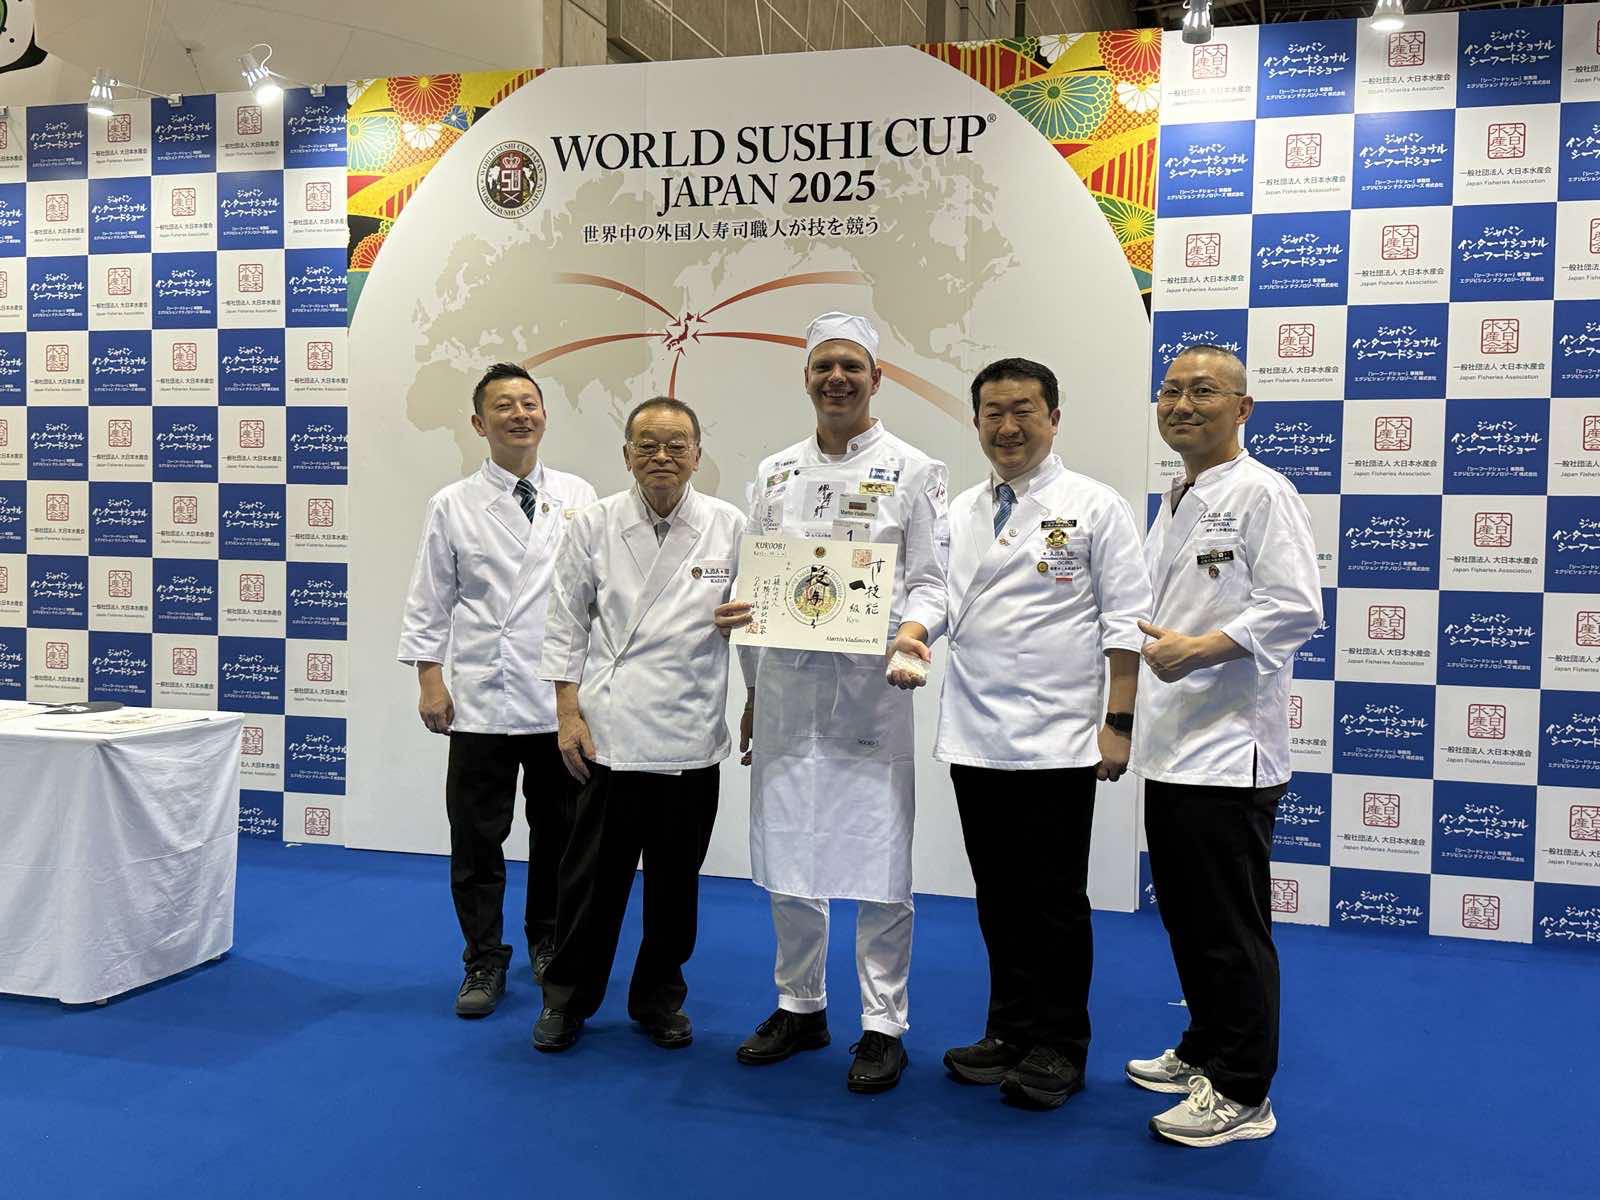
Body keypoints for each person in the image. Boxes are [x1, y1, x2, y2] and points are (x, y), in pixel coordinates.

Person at [894, 357, 1150, 1109]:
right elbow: (936, 596)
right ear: (976, 422)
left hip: (1058, 735)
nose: (1007, 427)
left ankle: (1059, 1045)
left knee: (1055, 900)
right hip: (977, 730)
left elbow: (1126, 623)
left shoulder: (1095, 506)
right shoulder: (960, 510)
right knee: (997, 895)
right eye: (993, 413)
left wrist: (1118, 723)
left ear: (1054, 418)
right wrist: (912, 634)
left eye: (1023, 411)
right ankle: (1008, 1030)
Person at [722, 311, 949, 1094]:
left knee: (881, 861)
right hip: (788, 691)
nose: (837, 379)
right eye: (824, 366)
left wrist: (914, 633)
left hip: (872, 693)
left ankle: (883, 1024)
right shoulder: (774, 472)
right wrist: (752, 685)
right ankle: (801, 1005)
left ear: (876, 378)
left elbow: (932, 582)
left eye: (852, 366)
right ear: (806, 378)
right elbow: (757, 582)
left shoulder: (915, 471)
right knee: (790, 853)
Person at [1126, 344, 1321, 1148]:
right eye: (1170, 391)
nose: (1181, 404)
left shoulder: (1262, 492)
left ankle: (1243, 1092)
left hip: (1229, 750)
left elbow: (1296, 605)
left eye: (1203, 391)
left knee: (1229, 928)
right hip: (1176, 743)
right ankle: (1206, 1046)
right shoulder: (1181, 494)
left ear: (1243, 408)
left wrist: (1201, 650)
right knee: (1189, 917)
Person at [532, 396, 745, 1053]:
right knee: (590, 885)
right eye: (647, 444)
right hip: (610, 731)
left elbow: (758, 618)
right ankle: (567, 1000)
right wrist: (566, 713)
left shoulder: (729, 525)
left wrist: (757, 695)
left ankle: (659, 1000)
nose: (662, 456)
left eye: (676, 445)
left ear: (698, 456)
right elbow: (565, 621)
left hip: (689, 731)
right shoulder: (594, 523)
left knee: (676, 888)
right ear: (626, 455)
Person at [397, 362, 596, 1018]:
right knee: (477, 837)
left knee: (560, 833)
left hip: (559, 698)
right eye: (504, 406)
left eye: (529, 404)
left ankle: (548, 939)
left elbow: (597, 594)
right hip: (483, 695)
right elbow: (430, 597)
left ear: (545, 416)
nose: (519, 415)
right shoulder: (452, 503)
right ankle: (483, 956)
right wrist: (430, 679)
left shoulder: (578, 494)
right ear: (480, 423)